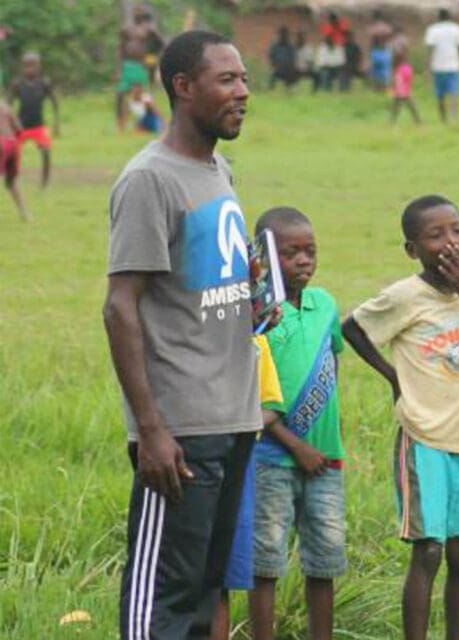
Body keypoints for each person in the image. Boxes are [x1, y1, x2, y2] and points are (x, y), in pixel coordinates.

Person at [103, 31, 258, 640]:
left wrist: (254, 299)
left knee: (202, 595)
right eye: (227, 80)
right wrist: (150, 430)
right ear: (183, 87)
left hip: (235, 416)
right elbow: (120, 307)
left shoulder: (217, 166)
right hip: (181, 430)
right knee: (160, 605)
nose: (243, 92)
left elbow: (210, 285)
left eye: (244, 79)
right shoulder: (150, 180)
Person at [342, 195, 459, 640]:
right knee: (429, 550)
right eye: (435, 236)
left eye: (456, 229)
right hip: (425, 437)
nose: (450, 242)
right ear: (413, 249)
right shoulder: (405, 296)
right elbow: (352, 327)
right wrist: (392, 376)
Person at [249, 207, 347, 640]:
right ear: (266, 259)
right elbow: (251, 395)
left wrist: (322, 438)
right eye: (292, 253)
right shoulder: (258, 318)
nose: (305, 260)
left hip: (326, 460)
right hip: (272, 457)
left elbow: (333, 360)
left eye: (311, 251)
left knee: (324, 560)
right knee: (265, 561)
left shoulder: (324, 304)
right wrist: (296, 445)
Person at [210, 335, 286, 640]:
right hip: (191, 457)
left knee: (220, 578)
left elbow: (271, 405)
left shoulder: (256, 343)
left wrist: (239, 424)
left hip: (237, 463)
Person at [7, 52, 58, 188]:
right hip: (20, 127)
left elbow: (54, 102)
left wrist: (56, 122)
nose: (30, 69)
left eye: (33, 65)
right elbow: (8, 105)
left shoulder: (44, 83)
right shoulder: (17, 84)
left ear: (39, 66)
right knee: (12, 156)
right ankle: (11, 181)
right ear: (22, 67)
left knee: (46, 153)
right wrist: (9, 124)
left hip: (38, 127)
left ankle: (44, 184)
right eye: (27, 66)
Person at [116, 4, 163, 132]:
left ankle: (150, 123)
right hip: (127, 66)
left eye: (141, 13)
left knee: (143, 96)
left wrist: (151, 59)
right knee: (120, 94)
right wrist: (119, 69)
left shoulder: (149, 29)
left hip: (140, 65)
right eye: (137, 12)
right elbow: (120, 49)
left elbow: (159, 44)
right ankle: (120, 125)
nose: (138, 15)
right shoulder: (126, 29)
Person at [424, 9, 459, 123]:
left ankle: (443, 119)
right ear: (450, 17)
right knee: (454, 94)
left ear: (438, 17)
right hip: (453, 66)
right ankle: (454, 118)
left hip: (438, 67)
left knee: (440, 95)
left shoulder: (432, 29)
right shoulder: (458, 29)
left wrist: (427, 69)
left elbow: (430, 51)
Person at [0, 99, 31, 221]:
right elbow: (19, 129)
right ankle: (24, 213)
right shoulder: (5, 106)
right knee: (12, 180)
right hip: (13, 144)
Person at [391, 50, 421, 125]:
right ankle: (418, 121)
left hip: (400, 92)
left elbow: (396, 80)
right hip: (405, 91)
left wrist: (395, 89)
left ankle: (392, 121)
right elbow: (410, 79)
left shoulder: (398, 69)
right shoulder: (406, 68)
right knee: (412, 107)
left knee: (397, 108)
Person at [368, 11, 395, 92]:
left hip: (375, 51)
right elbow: (390, 39)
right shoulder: (387, 28)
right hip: (384, 51)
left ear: (374, 18)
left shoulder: (373, 28)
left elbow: (371, 42)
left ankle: (376, 88)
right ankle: (385, 88)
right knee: (385, 71)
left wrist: (369, 52)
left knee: (375, 71)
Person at [268, 27, 296, 91]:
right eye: (282, 34)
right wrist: (275, 65)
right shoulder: (275, 46)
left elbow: (293, 59)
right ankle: (270, 90)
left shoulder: (290, 46)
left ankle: (289, 89)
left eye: (285, 34)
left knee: (292, 73)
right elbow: (271, 57)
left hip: (288, 69)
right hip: (277, 69)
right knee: (272, 74)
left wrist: (289, 66)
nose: (283, 36)